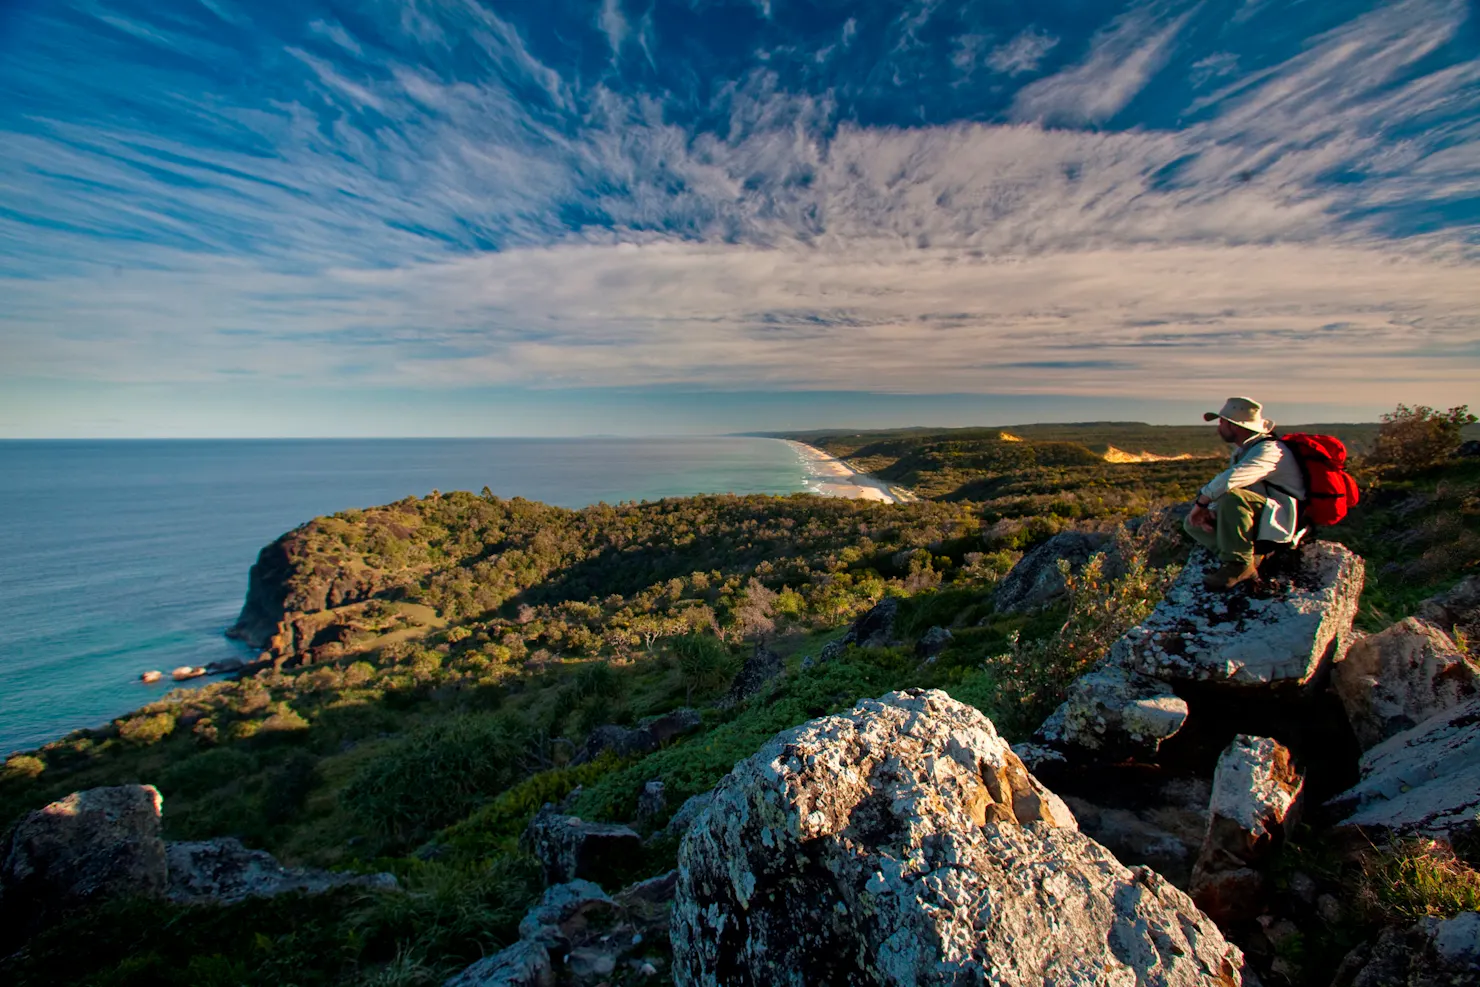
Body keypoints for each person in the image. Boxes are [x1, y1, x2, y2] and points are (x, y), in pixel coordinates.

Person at [1184, 396, 1307, 590]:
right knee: (1193, 523)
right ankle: (1246, 556)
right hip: (1262, 516)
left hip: (1281, 520)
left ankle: (1239, 564)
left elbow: (1231, 479)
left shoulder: (1270, 451)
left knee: (1233, 499)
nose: (1219, 427)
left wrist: (1202, 503)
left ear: (1235, 426)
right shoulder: (1247, 450)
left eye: (1222, 422)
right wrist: (1212, 510)